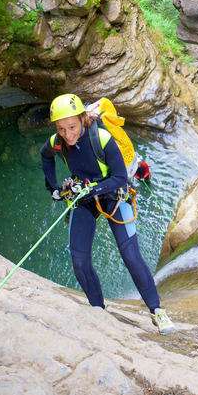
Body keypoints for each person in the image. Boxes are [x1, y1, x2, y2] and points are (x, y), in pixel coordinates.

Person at [40, 93, 175, 335]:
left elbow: (120, 178)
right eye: (61, 129)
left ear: (83, 119)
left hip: (113, 194)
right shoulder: (57, 142)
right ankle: (98, 311)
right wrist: (54, 189)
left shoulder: (101, 139)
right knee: (79, 261)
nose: (68, 134)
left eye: (72, 127)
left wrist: (94, 189)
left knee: (130, 255)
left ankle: (157, 311)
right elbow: (45, 156)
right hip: (84, 199)